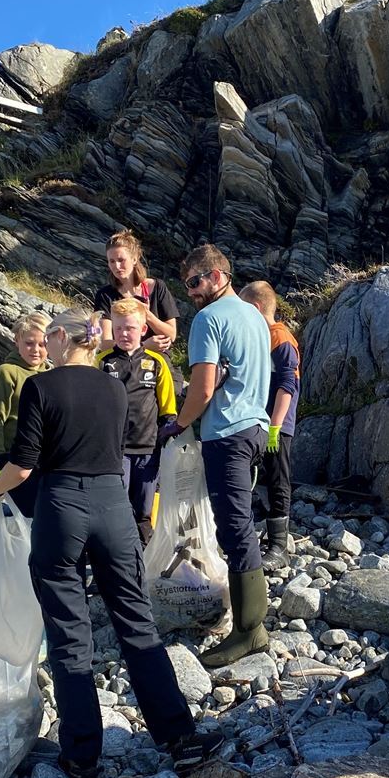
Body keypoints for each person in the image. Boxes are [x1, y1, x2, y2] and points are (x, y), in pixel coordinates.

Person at [0, 308, 222, 778]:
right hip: (114, 507)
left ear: (58, 338)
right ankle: (179, 739)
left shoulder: (40, 387)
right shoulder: (114, 386)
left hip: (62, 508)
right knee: (137, 624)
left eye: (48, 339)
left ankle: (81, 758)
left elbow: (23, 465)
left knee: (70, 637)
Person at [157, 244, 273, 668]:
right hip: (256, 429)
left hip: (226, 435)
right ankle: (250, 623)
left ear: (219, 275)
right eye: (186, 284)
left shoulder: (209, 319)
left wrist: (177, 423)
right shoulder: (255, 317)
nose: (190, 292)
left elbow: (203, 389)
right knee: (241, 522)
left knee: (235, 528)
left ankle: (249, 631)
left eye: (195, 281)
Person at [97, 298, 177, 545]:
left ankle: (142, 559)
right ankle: (115, 560)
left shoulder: (157, 361)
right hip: (114, 450)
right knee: (117, 508)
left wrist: (170, 438)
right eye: (118, 328)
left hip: (148, 449)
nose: (123, 333)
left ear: (143, 329)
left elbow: (168, 408)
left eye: (130, 328)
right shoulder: (102, 361)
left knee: (144, 509)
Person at [239, 280, 300, 571]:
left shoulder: (281, 338)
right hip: (256, 422)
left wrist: (276, 426)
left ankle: (279, 545)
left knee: (278, 480)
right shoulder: (259, 338)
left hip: (277, 424)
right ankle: (262, 522)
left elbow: (288, 384)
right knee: (255, 474)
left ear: (254, 308)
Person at [0, 312, 51, 518]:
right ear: (16, 340)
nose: (36, 350)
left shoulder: (51, 375)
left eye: (42, 344)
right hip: (13, 461)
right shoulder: (6, 372)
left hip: (46, 464)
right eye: (29, 343)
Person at [94, 230, 179, 352]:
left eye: (121, 260)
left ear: (134, 259)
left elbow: (171, 334)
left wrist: (147, 315)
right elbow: (104, 344)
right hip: (120, 362)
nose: (117, 266)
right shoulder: (105, 295)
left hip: (157, 359)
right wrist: (142, 346)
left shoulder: (157, 287)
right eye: (111, 261)